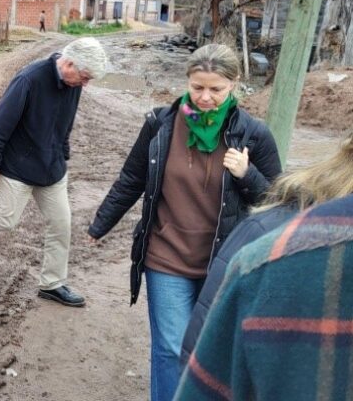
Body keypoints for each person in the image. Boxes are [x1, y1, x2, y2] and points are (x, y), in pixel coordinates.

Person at [86, 43, 282, 401]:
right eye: (197, 87)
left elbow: (277, 202)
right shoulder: (160, 124)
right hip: (166, 257)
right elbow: (131, 179)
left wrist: (247, 174)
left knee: (210, 353)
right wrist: (101, 223)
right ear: (187, 81)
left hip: (223, 263)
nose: (205, 97)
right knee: (170, 349)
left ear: (234, 83)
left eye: (215, 89)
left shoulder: (254, 135)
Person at [0, 37, 108, 309]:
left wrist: (62, 153)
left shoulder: (73, 84)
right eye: (85, 77)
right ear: (69, 64)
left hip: (51, 168)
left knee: (61, 224)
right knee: (5, 220)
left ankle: (52, 284)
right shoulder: (29, 79)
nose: (85, 84)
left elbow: (65, 123)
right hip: (17, 167)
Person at [179, 130, 353, 366]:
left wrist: (247, 174)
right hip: (183, 253)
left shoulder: (255, 133)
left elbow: (267, 188)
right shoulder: (274, 228)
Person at [173, 193, 353, 401]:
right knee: (170, 345)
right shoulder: (264, 249)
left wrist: (246, 177)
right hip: (172, 257)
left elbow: (267, 187)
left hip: (228, 251)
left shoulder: (271, 254)